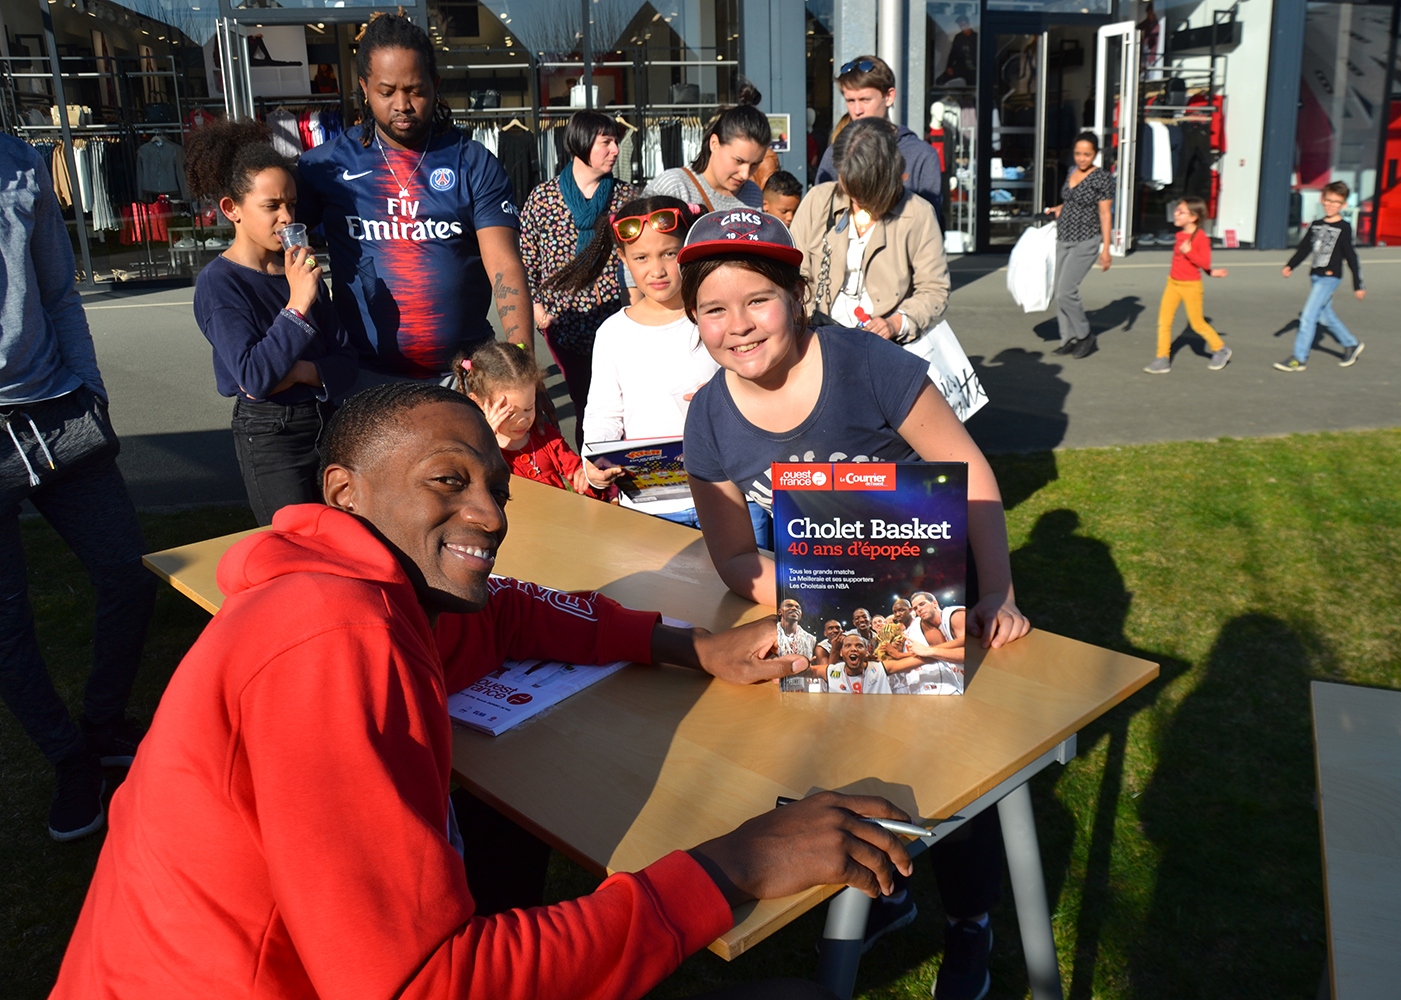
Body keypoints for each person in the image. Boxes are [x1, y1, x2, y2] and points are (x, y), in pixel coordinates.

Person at [51, 381, 913, 999]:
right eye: (448, 480)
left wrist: (695, 648)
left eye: (496, 490)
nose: (494, 514)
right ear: (343, 491)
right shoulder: (335, 636)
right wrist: (732, 865)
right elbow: (427, 980)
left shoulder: (356, 593)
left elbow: (504, 618)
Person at [678, 209, 1029, 998]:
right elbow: (733, 553)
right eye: (714, 308)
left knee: (956, 773)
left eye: (758, 299)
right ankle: (891, 890)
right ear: (692, 316)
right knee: (853, 764)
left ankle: (971, 920)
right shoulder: (707, 414)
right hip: (833, 615)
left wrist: (999, 588)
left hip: (934, 606)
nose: (738, 325)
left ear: (798, 294)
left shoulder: (868, 366)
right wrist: (810, 590)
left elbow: (966, 471)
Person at [0, 132, 158, 842]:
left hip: (58, 408)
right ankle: (70, 761)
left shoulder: (21, 159)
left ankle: (102, 723)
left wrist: (90, 392)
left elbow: (59, 292)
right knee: (7, 628)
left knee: (129, 574)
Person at [297, 12, 533, 384]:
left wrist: (522, 366)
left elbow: (504, 265)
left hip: (465, 376)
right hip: (363, 376)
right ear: (364, 87)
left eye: (416, 90)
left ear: (435, 85)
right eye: (386, 91)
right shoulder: (325, 167)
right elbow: (271, 241)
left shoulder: (472, 162)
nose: (402, 104)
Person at [186, 118, 360, 526]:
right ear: (232, 209)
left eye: (292, 204)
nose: (287, 218)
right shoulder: (221, 283)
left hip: (328, 423)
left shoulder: (298, 268)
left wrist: (300, 371)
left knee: (347, 540)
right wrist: (297, 306)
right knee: (297, 549)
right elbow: (256, 377)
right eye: (271, 206)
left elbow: (347, 362)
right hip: (272, 437)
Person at [551, 196, 720, 526]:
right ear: (624, 259)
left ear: (688, 249)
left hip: (726, 494)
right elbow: (604, 412)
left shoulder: (717, 316)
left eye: (669, 254)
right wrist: (595, 460)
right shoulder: (614, 333)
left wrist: (724, 396)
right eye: (641, 257)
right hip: (650, 506)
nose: (656, 269)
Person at [519, 110, 636, 443]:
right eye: (606, 142)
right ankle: (593, 471)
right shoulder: (544, 199)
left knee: (617, 403)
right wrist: (539, 311)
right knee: (584, 399)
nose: (615, 149)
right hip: (564, 323)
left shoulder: (624, 198)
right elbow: (525, 260)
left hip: (615, 320)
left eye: (616, 141)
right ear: (581, 143)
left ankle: (609, 471)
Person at [793, 118, 949, 345]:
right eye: (848, 183)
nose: (856, 198)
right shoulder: (818, 200)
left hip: (884, 343)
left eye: (865, 187)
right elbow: (795, 272)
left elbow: (934, 288)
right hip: (817, 334)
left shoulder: (918, 214)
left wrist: (897, 323)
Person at [452, 340, 606, 499]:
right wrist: (486, 439)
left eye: (528, 408)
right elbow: (469, 488)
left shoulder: (545, 437)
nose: (522, 421)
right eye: (509, 413)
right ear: (478, 402)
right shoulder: (475, 447)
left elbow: (579, 474)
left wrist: (587, 477)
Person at [813, 56, 943, 216]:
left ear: (889, 96)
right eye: (850, 101)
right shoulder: (835, 153)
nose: (857, 109)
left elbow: (930, 224)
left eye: (865, 100)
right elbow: (820, 214)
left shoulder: (921, 155)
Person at [1276, 180, 1366, 373]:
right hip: (1316, 276)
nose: (1331, 205)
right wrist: (1291, 265)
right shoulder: (1316, 224)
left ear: (1344, 205)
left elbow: (1351, 256)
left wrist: (1358, 284)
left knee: (1308, 316)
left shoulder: (1344, 227)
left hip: (1330, 277)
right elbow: (1304, 248)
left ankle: (1299, 358)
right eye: (1328, 200)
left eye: (1337, 202)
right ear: (1322, 200)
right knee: (1325, 317)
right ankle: (1351, 344)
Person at [1044, 131, 1114, 359]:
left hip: (1086, 240)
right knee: (1058, 292)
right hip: (1063, 237)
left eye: (1087, 154)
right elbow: (1071, 202)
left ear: (1095, 154)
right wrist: (1058, 209)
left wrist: (1106, 248)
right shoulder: (1071, 171)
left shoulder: (1102, 178)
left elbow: (1105, 214)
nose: (1082, 158)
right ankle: (1068, 339)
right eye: (1078, 153)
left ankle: (1084, 335)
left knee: (1067, 291)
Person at [644, 88, 770, 211]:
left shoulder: (753, 195)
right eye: (739, 161)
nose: (745, 174)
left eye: (754, 165)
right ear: (714, 143)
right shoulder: (673, 187)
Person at [1145, 196, 1231, 374]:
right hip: (1173, 283)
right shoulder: (1179, 235)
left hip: (1191, 286)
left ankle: (1220, 349)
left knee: (1197, 323)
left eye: (1181, 212)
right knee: (1164, 322)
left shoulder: (1200, 238)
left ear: (1193, 217)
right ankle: (1162, 358)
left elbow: (1204, 261)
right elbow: (1196, 264)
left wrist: (1191, 252)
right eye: (1176, 210)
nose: (1176, 213)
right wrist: (1211, 272)